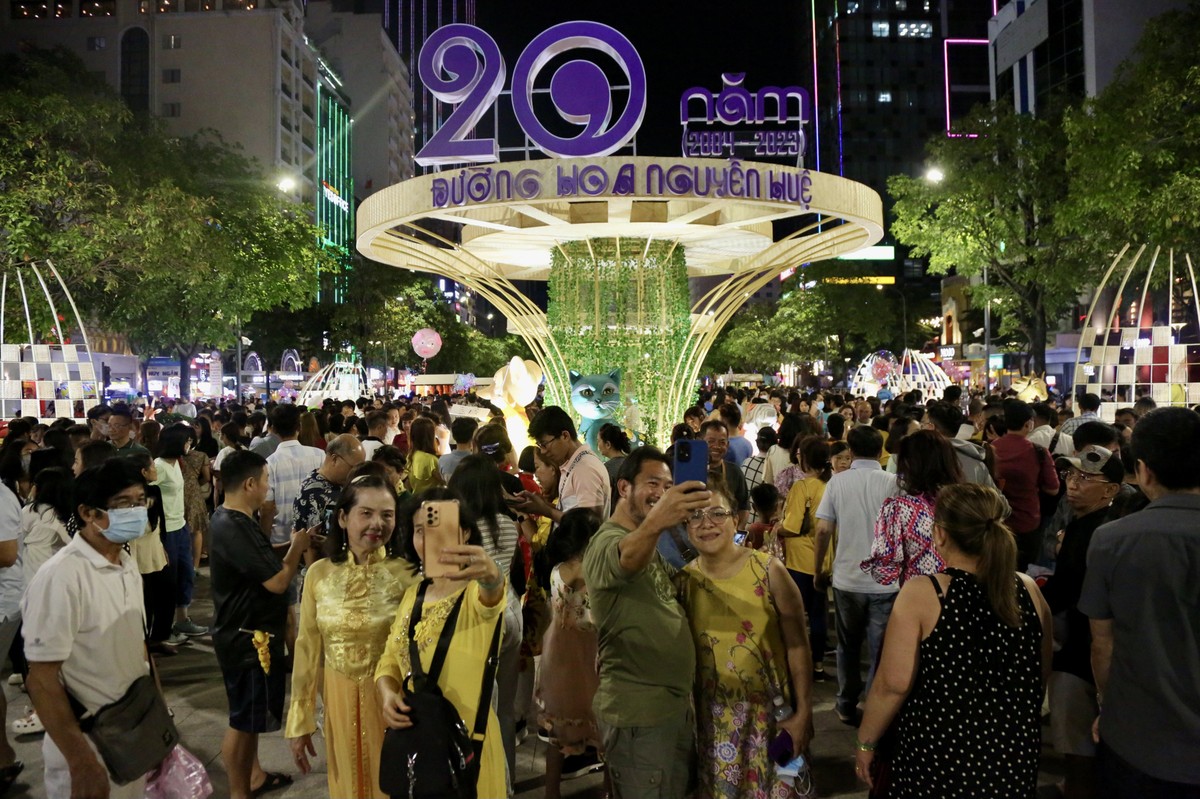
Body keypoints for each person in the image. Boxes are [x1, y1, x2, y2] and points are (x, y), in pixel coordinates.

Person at [853, 482, 1052, 798]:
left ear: (940, 534)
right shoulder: (1029, 590)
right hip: (1012, 756)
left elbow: (892, 684)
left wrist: (866, 742)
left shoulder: (924, 593)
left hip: (938, 758)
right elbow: (1037, 675)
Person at [23, 460, 162, 798]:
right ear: (88, 513)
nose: (136, 511)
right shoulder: (62, 576)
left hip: (133, 731)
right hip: (89, 740)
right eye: (123, 504)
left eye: (140, 500)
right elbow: (41, 679)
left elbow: (138, 647)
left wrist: (158, 720)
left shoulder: (125, 564)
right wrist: (80, 761)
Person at [1080, 408, 1200, 797]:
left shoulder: (1112, 539)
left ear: (1143, 470)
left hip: (1138, 739)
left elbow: (1103, 643)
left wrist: (1107, 706)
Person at [582, 447, 711, 799]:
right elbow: (626, 560)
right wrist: (659, 520)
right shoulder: (606, 542)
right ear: (623, 488)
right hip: (639, 714)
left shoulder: (653, 541)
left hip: (670, 709)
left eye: (668, 485)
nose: (661, 492)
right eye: (652, 483)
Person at [285, 474, 417, 798]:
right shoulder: (319, 574)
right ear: (343, 517)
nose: (377, 523)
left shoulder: (409, 575)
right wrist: (301, 720)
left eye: (387, 515)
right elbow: (307, 647)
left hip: (393, 701)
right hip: (337, 699)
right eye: (366, 513)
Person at [681, 487, 814, 799]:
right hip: (714, 728)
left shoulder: (769, 571)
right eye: (695, 516)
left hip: (774, 720)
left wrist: (804, 712)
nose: (706, 523)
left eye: (717, 513)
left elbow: (798, 645)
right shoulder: (683, 583)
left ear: (737, 518)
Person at [374, 489, 508, 799]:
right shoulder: (415, 594)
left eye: (437, 527)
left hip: (464, 750)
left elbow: (493, 596)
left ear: (464, 532)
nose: (427, 539)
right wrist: (387, 693)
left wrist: (492, 575)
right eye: (419, 530)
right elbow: (389, 660)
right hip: (418, 750)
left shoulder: (476, 595)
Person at [211, 450, 315, 799]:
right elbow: (277, 582)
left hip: (247, 633)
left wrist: (290, 544)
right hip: (246, 640)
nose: (268, 489)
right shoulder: (234, 524)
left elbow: (262, 559)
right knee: (241, 723)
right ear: (250, 483)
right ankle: (239, 792)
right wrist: (298, 548)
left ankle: (253, 776)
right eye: (266, 481)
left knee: (250, 718)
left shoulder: (234, 520)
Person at [1039, 445, 1124, 799]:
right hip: (1085, 648)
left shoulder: (1096, 532)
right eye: (1071, 475)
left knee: (1078, 747)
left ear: (1111, 490)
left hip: (1081, 653)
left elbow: (1066, 591)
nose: (1073, 484)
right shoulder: (1090, 525)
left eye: (1086, 478)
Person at [813, 424, 899, 726]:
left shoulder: (837, 483)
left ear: (850, 450)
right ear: (880, 451)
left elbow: (823, 529)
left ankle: (846, 704)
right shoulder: (894, 482)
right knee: (881, 649)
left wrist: (818, 569)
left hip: (847, 578)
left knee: (847, 646)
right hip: (886, 581)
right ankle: (877, 708)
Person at [537, 508, 606, 798]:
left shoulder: (556, 570)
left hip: (558, 654)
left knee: (557, 730)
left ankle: (551, 790)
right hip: (587, 654)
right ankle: (608, 790)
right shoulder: (591, 574)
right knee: (603, 727)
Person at [862, 430, 962, 587]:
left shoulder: (899, 508)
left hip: (921, 595)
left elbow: (885, 574)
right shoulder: (968, 500)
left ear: (909, 464)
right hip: (965, 595)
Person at [775, 436, 833, 681]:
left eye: (800, 454)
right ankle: (818, 666)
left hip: (799, 561)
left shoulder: (802, 487)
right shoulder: (830, 485)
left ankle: (795, 667)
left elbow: (792, 526)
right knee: (818, 615)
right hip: (824, 560)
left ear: (807, 458)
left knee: (794, 616)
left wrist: (774, 528)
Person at [991, 400, 1060, 571]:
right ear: (1029, 423)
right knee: (1022, 571)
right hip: (1027, 522)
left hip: (995, 521)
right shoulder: (1038, 452)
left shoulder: (989, 449)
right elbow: (1053, 489)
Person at [154, 424, 206, 638]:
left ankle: (182, 619)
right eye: (187, 441)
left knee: (186, 574)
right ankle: (162, 630)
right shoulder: (158, 466)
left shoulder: (177, 463)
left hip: (180, 526)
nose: (190, 445)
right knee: (169, 580)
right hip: (166, 530)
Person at [515, 406, 610, 522]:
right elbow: (572, 512)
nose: (543, 451)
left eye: (544, 444)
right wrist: (542, 505)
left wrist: (547, 511)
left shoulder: (584, 468)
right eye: (540, 445)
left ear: (565, 436)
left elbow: (588, 523)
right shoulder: (575, 463)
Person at [701, 420, 750, 529]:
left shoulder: (735, 471)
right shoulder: (690, 471)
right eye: (711, 441)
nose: (716, 446)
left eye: (722, 442)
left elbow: (744, 508)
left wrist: (737, 533)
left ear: (727, 445)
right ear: (700, 442)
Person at [597, 422, 632, 515]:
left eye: (599, 441)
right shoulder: (632, 462)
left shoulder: (607, 468)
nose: (598, 446)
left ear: (608, 444)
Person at [404, 417, 443, 494]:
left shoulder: (410, 456)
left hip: (415, 499)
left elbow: (407, 483)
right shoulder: (431, 459)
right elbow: (444, 481)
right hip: (431, 500)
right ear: (431, 436)